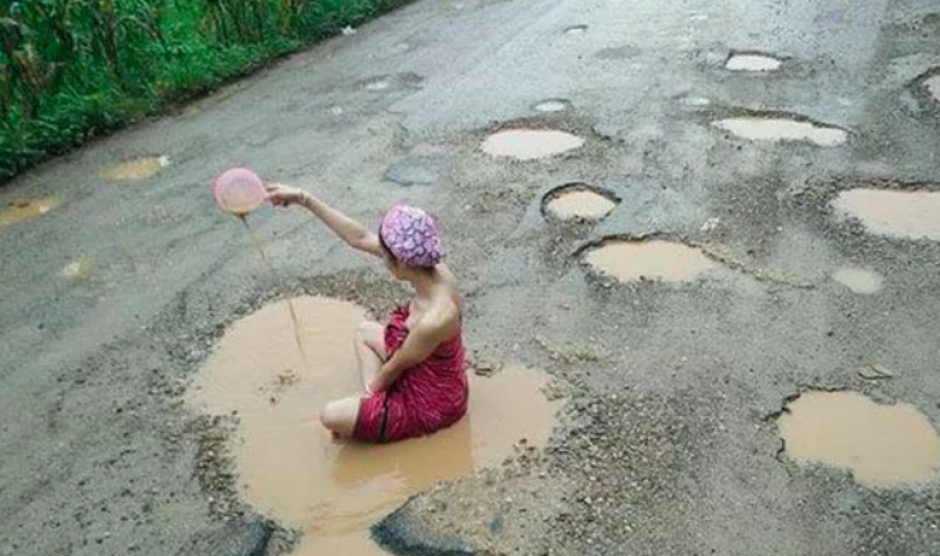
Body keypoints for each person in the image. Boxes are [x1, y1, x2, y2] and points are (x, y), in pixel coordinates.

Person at [265, 183, 468, 443]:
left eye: (385, 255)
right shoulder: (430, 265)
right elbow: (359, 237)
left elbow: (393, 368)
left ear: (402, 261)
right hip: (423, 365)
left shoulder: (437, 316)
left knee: (330, 415)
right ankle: (374, 409)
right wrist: (304, 198)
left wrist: (370, 399)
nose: (381, 258)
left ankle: (380, 409)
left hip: (434, 403)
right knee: (363, 331)